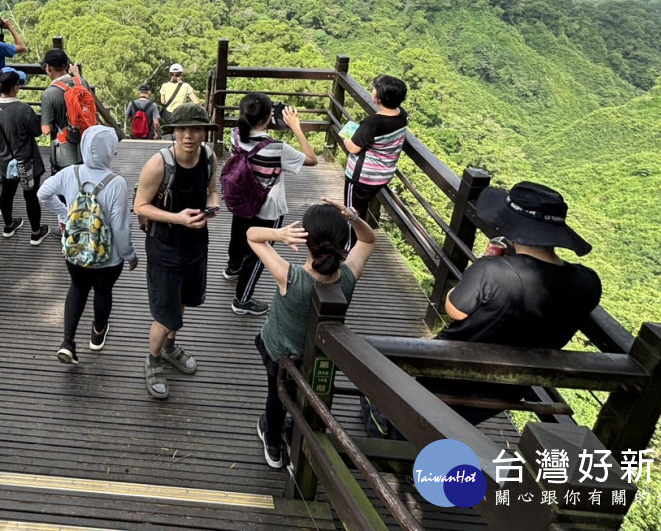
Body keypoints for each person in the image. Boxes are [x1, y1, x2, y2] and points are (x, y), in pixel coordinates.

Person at [422, 181, 603, 424]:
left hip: (448, 376)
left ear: (511, 228)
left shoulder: (491, 271)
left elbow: (454, 310)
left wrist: (482, 268)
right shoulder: (588, 283)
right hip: (507, 389)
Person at [250, 200, 376, 467]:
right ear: (342, 243)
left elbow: (252, 235)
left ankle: (272, 442)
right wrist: (352, 217)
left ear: (306, 238)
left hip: (280, 353)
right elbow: (368, 240)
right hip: (318, 357)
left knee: (276, 394)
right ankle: (293, 433)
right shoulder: (349, 276)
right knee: (306, 396)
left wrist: (279, 234)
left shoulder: (290, 276)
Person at [133, 103, 219, 400]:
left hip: (196, 245)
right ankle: (153, 358)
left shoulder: (208, 156)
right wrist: (178, 218)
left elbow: (211, 189)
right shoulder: (159, 165)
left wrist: (213, 205)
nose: (188, 136)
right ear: (173, 132)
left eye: (195, 129)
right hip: (165, 249)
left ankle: (169, 348)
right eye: (182, 129)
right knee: (165, 315)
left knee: (181, 303)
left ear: (204, 132)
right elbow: (140, 206)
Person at [39, 125, 139, 364]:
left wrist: (64, 216)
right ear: (110, 150)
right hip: (109, 256)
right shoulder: (117, 183)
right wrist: (130, 253)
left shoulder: (69, 173)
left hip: (75, 248)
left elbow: (43, 194)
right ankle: (96, 335)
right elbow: (120, 227)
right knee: (103, 292)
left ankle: (68, 341)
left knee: (77, 287)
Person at [225, 93, 318, 317]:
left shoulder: (235, 135)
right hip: (267, 208)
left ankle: (232, 268)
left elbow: (254, 136)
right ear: (269, 117)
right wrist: (295, 127)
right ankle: (242, 300)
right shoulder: (277, 148)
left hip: (241, 201)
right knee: (258, 254)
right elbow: (312, 159)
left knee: (238, 235)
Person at [0, 68, 49, 244]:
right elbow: (37, 131)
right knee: (30, 196)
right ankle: (36, 232)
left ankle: (8, 225)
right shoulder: (23, 109)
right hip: (26, 161)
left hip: (6, 161)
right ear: (16, 87)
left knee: (7, 193)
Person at [343, 74, 408, 226]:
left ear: (379, 98)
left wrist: (346, 139)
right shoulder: (401, 114)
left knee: (352, 214)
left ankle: (351, 246)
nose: (372, 91)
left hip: (362, 177)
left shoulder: (373, 122)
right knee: (362, 208)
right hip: (382, 175)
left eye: (374, 89)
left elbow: (353, 148)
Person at [39, 47, 87, 173]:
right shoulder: (82, 83)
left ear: (48, 68)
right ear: (67, 65)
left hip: (64, 153)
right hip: (85, 147)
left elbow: (46, 129)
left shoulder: (49, 94)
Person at [158, 62, 202, 128]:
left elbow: (163, 101)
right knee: (180, 131)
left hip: (168, 114)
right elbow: (196, 102)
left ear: (170, 74)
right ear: (181, 74)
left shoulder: (164, 86)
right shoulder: (186, 86)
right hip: (181, 113)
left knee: (168, 132)